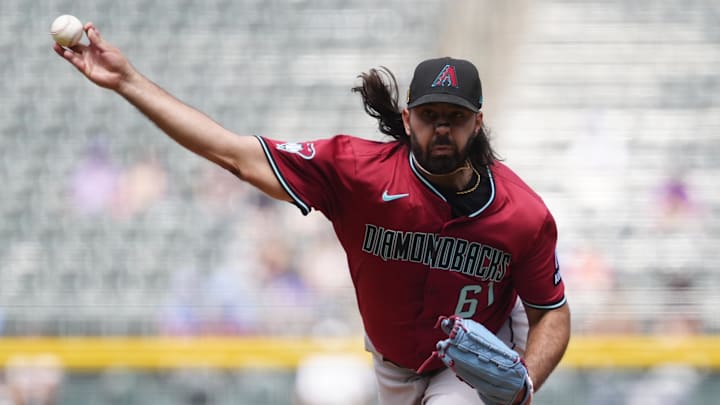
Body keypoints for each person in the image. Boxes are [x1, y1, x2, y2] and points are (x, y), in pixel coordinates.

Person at [53, 22, 571, 405]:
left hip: (475, 358)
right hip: (394, 359)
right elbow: (233, 154)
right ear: (408, 117)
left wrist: (525, 378)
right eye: (430, 115)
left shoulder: (520, 212)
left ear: (477, 122)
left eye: (454, 118)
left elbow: (551, 310)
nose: (441, 129)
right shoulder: (356, 173)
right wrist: (127, 81)